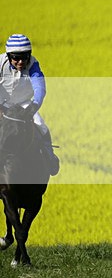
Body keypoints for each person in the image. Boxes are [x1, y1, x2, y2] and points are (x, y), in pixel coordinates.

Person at [0, 33, 60, 175]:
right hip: (2, 104)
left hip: (24, 105)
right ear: (9, 56)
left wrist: (35, 105)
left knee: (41, 125)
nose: (21, 61)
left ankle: (49, 155)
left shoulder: (33, 64)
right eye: (16, 58)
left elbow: (39, 87)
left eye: (25, 57)